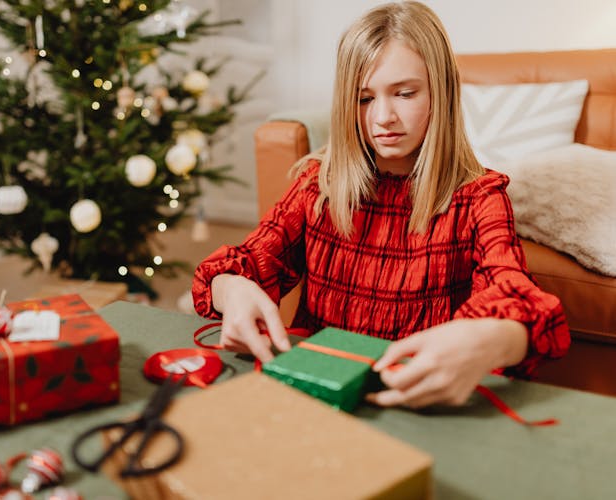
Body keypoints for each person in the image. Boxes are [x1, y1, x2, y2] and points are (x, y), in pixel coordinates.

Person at [192, 1, 570, 409]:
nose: (383, 117)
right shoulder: (319, 184)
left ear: (440, 92)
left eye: (404, 93)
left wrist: (497, 339)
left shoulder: (479, 198)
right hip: (319, 395)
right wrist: (229, 289)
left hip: (419, 405)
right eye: (364, 98)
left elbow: (523, 301)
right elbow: (244, 262)